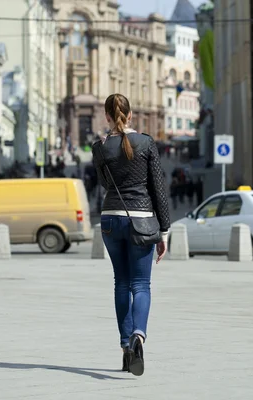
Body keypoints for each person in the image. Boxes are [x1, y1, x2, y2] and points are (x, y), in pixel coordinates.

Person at [92, 93, 170, 377]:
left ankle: (126, 347)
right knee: (141, 285)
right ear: (131, 114)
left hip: (111, 217)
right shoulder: (146, 143)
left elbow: (103, 184)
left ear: (107, 117)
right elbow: (157, 187)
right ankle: (139, 335)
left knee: (121, 283)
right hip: (142, 219)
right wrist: (164, 229)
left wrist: (102, 150)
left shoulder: (100, 147)